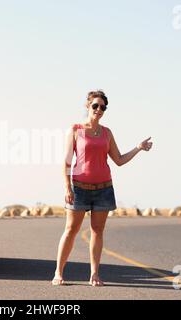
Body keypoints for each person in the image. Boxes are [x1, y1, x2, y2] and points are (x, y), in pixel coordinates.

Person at [52, 90, 153, 286]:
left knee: (97, 231)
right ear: (87, 106)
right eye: (95, 106)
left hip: (104, 189)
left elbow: (119, 160)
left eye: (103, 107)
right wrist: (67, 188)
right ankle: (58, 273)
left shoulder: (107, 133)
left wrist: (138, 148)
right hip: (79, 188)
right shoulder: (75, 130)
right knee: (71, 229)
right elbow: (66, 161)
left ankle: (94, 275)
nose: (99, 110)